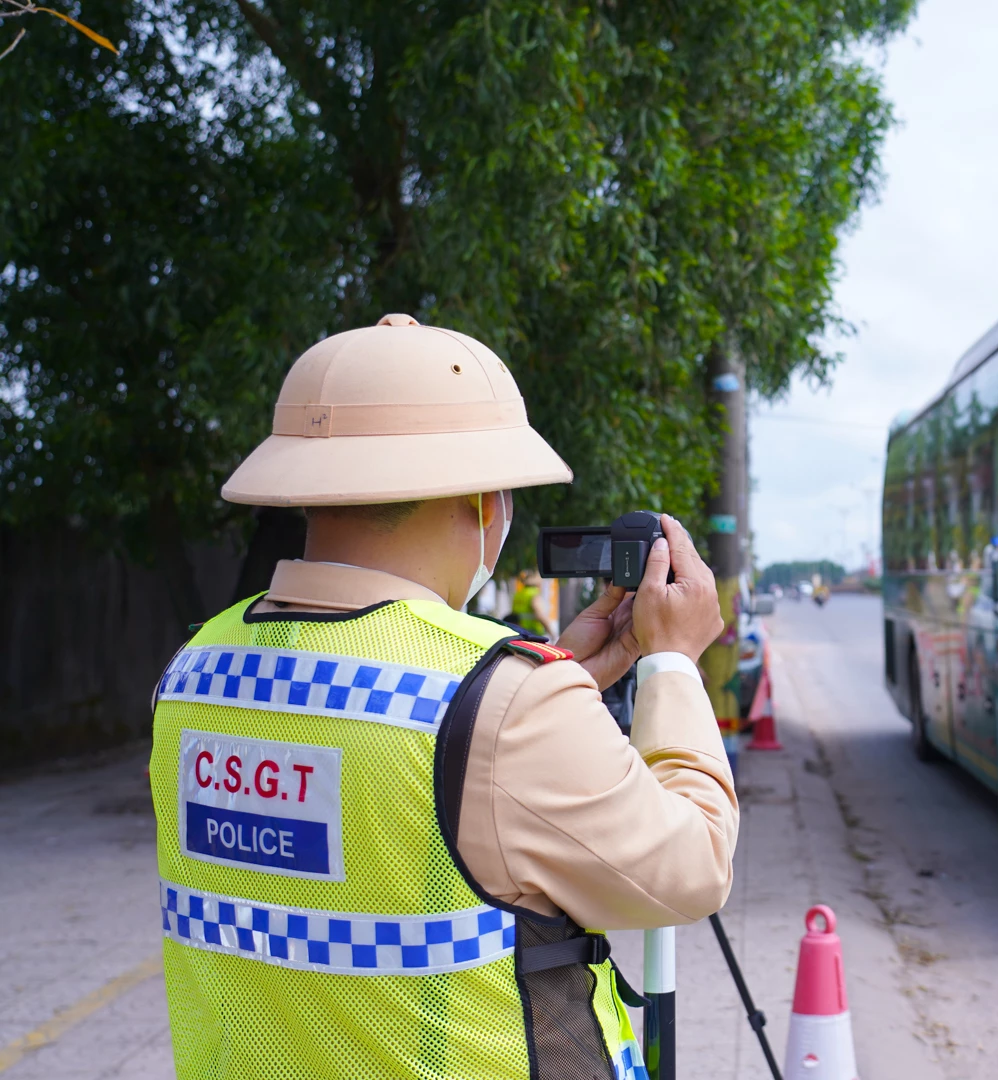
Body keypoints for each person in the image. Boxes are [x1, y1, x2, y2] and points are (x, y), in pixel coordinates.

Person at [149, 314, 736, 1080]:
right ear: (486, 503)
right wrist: (672, 665)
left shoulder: (193, 673)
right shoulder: (505, 701)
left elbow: (388, 785)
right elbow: (692, 870)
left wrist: (558, 687)